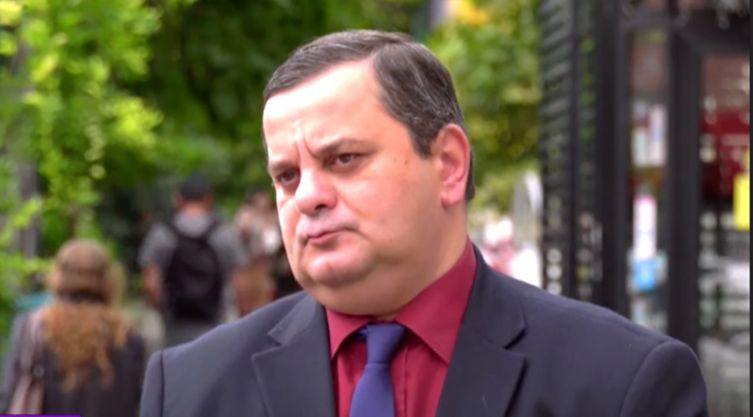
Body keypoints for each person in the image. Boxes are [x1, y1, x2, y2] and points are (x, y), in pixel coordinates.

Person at [140, 30, 709, 417]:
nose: (307, 196)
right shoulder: (189, 388)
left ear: (450, 166)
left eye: (343, 159)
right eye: (287, 176)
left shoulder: (622, 384)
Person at [0, 239, 145, 417]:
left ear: (58, 275)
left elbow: (10, 394)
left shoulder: (34, 328)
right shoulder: (126, 336)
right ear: (108, 279)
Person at [138, 174, 247, 347]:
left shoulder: (162, 233)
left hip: (175, 324)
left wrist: (160, 307)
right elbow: (240, 283)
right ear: (208, 200)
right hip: (215, 323)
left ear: (178, 199)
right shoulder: (224, 233)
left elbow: (151, 281)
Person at [232, 188, 281, 316]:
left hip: (266, 264)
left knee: (264, 299)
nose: (263, 201)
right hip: (247, 265)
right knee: (247, 301)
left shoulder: (271, 215)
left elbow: (274, 242)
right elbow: (239, 236)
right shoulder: (246, 214)